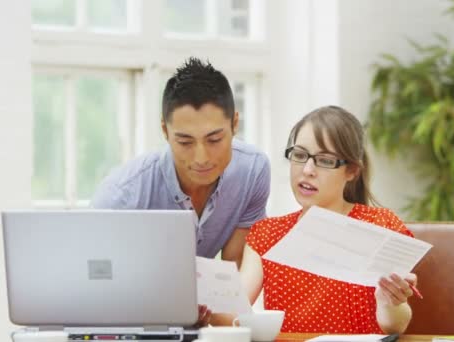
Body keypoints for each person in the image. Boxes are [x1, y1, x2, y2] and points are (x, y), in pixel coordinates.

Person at [214, 106, 417, 333]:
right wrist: (198, 300)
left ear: (351, 171)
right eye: (300, 156)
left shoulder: (382, 226)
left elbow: (395, 326)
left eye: (324, 160)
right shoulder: (267, 234)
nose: (307, 170)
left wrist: (390, 303)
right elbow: (232, 311)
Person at [91, 57, 270, 269]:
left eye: (214, 140)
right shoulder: (121, 197)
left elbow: (236, 273)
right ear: (165, 131)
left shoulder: (252, 171)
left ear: (235, 124)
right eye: (185, 142)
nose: (201, 158)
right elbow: (96, 279)